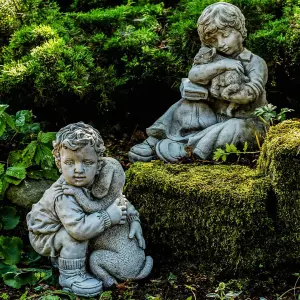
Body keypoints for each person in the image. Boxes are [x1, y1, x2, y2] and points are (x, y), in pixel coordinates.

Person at [128, 2, 267, 163]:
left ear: (240, 31)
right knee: (187, 104)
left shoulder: (255, 62)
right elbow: (194, 75)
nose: (221, 43)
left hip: (246, 122)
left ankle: (190, 150)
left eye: (226, 34)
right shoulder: (213, 57)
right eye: (214, 39)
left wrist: (220, 92)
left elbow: (250, 94)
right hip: (215, 116)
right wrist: (221, 65)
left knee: (232, 130)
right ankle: (156, 139)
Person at [27, 122, 147, 297]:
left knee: (84, 231)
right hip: (47, 234)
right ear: (58, 163)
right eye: (69, 162)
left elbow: (116, 198)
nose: (78, 170)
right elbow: (79, 230)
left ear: (98, 164)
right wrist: (107, 217)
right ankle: (71, 276)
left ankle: (70, 258)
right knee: (73, 237)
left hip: (75, 224)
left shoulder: (97, 180)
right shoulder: (64, 194)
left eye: (87, 162)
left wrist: (133, 219)